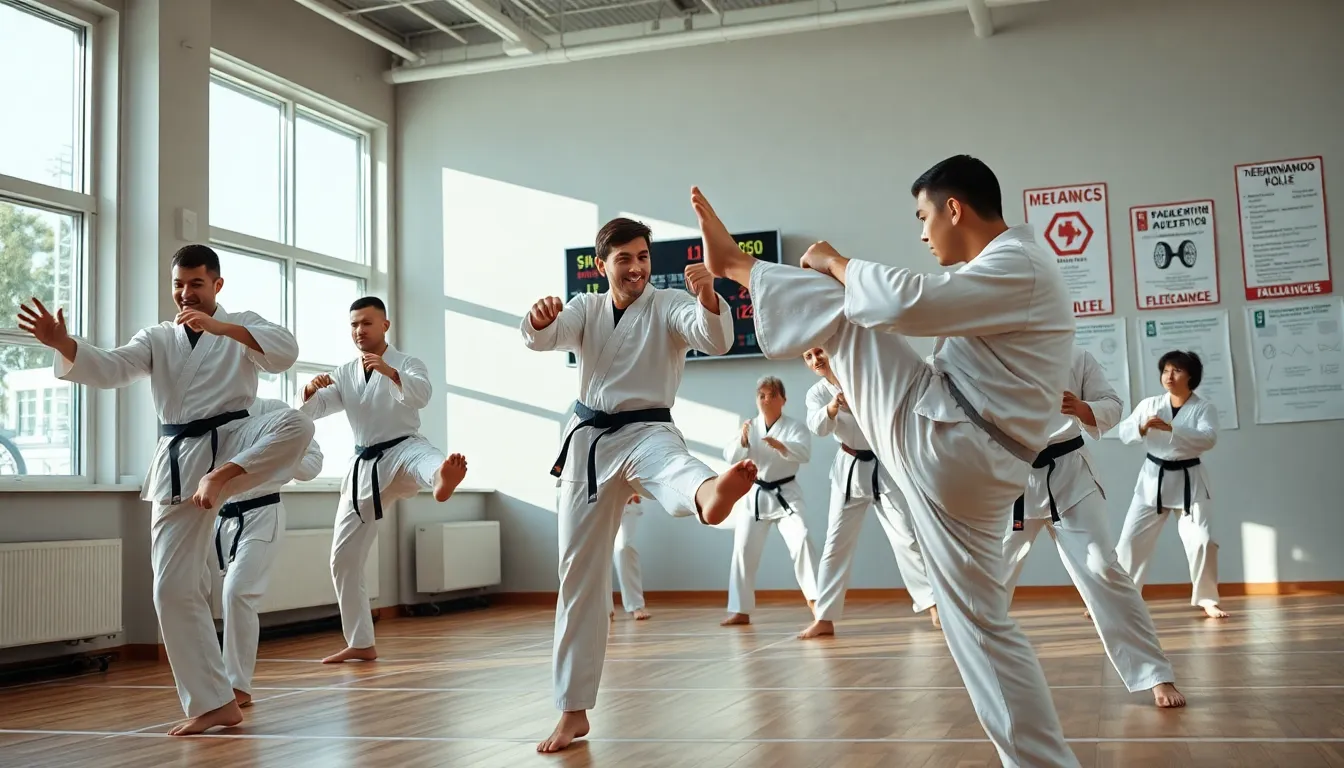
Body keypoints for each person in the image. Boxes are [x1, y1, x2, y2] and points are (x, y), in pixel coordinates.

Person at [690, 155, 1082, 768]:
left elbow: (908, 304)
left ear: (954, 208)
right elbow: (917, 306)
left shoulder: (1017, 264)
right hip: (977, 460)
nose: (923, 233)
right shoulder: (1014, 268)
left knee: (850, 317)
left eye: (924, 216)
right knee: (982, 629)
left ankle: (736, 265)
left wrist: (833, 260)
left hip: (950, 444)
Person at [16, 244, 314, 736]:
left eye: (196, 283)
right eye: (178, 284)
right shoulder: (158, 336)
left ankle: (226, 477)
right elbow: (112, 368)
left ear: (217, 285)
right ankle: (214, 702)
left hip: (235, 440)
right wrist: (63, 345)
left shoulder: (240, 323)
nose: (185, 293)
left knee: (298, 425)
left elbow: (285, 352)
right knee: (171, 589)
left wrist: (221, 328)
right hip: (180, 460)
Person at [521, 216, 759, 753]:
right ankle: (573, 712)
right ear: (603, 264)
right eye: (624, 258)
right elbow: (544, 338)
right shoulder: (584, 307)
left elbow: (714, 340)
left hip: (649, 428)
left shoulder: (670, 303)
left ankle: (710, 496)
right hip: (589, 442)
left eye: (643, 257)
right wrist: (537, 321)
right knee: (578, 574)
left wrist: (709, 299)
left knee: (678, 469)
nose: (636, 267)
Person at [1001, 346, 1186, 707]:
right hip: (1010, 478)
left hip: (1071, 476)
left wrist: (1084, 409)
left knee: (1103, 568)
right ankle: (983, 669)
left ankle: (1155, 673)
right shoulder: (985, 353)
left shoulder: (1074, 356)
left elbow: (1111, 404)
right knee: (989, 574)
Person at [300, 296, 469, 664]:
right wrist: (310, 392)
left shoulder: (407, 363)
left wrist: (390, 373)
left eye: (366, 323)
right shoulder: (345, 371)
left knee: (428, 461)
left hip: (403, 448)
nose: (359, 331)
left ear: (385, 325)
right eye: (354, 325)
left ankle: (442, 480)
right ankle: (361, 641)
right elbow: (315, 410)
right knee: (342, 559)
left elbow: (421, 396)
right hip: (365, 466)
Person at [798, 347, 939, 638]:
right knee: (836, 543)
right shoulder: (816, 394)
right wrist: (834, 407)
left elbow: (892, 411)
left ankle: (933, 605)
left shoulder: (863, 379)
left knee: (907, 537)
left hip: (884, 464)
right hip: (847, 471)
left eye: (819, 352)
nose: (815, 360)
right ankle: (824, 618)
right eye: (808, 357)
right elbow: (817, 426)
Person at [212, 397, 325, 708]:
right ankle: (219, 683)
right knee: (225, 597)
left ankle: (238, 686)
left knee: (238, 593)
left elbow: (312, 464)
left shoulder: (276, 410)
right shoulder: (211, 410)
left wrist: (278, 456)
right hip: (221, 518)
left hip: (263, 512)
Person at [1114, 350, 1227, 619]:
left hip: (1190, 481)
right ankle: (1118, 601)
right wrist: (1141, 429)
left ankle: (1207, 599)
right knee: (1129, 541)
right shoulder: (1150, 404)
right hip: (1153, 479)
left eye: (1176, 370)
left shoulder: (1203, 407)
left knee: (1203, 541)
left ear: (1191, 376)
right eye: (1166, 370)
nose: (1169, 376)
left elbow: (1208, 439)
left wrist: (1172, 429)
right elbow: (1124, 432)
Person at [721, 376, 819, 626]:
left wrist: (780, 445)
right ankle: (740, 610)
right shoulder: (749, 427)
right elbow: (729, 456)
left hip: (786, 495)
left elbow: (805, 453)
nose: (765, 399)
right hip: (755, 497)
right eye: (761, 395)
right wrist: (743, 441)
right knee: (742, 549)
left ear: (783, 400)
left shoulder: (795, 427)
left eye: (771, 395)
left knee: (802, 539)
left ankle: (817, 602)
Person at [609, 494, 651, 621]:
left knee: (624, 547)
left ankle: (635, 604)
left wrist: (635, 491)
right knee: (600, 550)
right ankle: (605, 606)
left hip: (626, 499)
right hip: (596, 497)